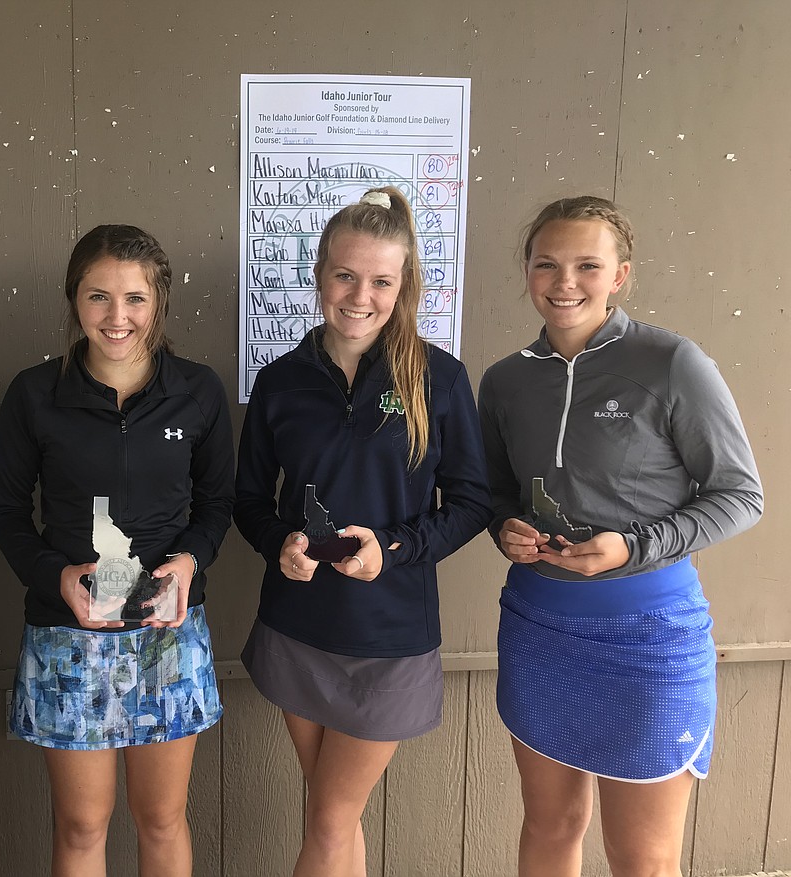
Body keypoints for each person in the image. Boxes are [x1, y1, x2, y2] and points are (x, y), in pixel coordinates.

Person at [477, 195, 764, 876]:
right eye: (547, 263)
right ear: (527, 271)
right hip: (538, 627)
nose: (564, 281)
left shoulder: (672, 363)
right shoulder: (504, 380)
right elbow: (491, 492)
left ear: (620, 274)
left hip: (650, 637)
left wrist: (634, 547)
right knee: (550, 827)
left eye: (586, 264)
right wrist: (503, 527)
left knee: (641, 856)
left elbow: (741, 495)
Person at [233, 186, 492, 877]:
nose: (359, 295)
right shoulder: (280, 382)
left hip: (389, 638)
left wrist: (397, 547)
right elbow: (250, 498)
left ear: (402, 284)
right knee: (332, 816)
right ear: (319, 274)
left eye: (380, 280)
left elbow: (471, 501)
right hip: (296, 627)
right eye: (345, 275)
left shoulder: (437, 378)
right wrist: (277, 543)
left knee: (326, 815)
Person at [0, 224, 234, 876]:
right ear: (75, 301)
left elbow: (217, 505)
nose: (117, 317)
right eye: (98, 297)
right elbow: (7, 514)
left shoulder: (199, 391)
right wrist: (57, 575)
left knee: (160, 818)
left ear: (159, 303)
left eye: (135, 298)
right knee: (81, 824)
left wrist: (190, 560)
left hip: (167, 631)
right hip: (68, 635)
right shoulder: (35, 395)